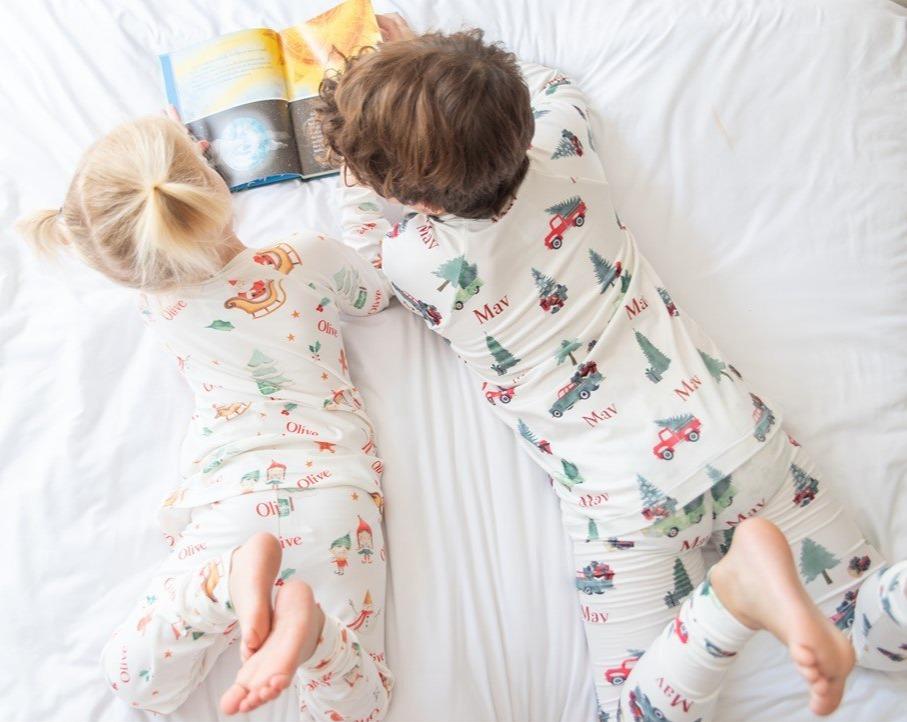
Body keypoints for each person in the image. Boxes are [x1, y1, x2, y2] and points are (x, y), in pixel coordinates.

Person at [318, 17, 907, 721]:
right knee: (868, 628)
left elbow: (359, 251)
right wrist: (424, 64)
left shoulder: (418, 260)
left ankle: (727, 604)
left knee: (629, 711)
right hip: (738, 439)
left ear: (415, 199)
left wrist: (354, 172)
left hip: (630, 506)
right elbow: (551, 85)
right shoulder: (562, 148)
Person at [17, 116, 393, 720]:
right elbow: (376, 293)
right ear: (213, 181)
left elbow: (154, 233)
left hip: (228, 501)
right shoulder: (303, 257)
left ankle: (222, 588)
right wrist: (358, 195)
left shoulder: (156, 303)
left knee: (136, 684)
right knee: (356, 707)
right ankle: (313, 635)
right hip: (333, 493)